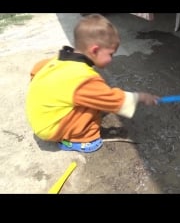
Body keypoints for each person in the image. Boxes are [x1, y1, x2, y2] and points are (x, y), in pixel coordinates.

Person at [26, 14, 159, 153]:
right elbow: (111, 99)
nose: (112, 59)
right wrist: (141, 97)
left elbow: (36, 69)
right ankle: (77, 140)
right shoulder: (84, 79)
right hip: (51, 128)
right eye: (111, 54)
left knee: (85, 99)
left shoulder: (57, 61)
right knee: (93, 110)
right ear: (95, 50)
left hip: (41, 118)